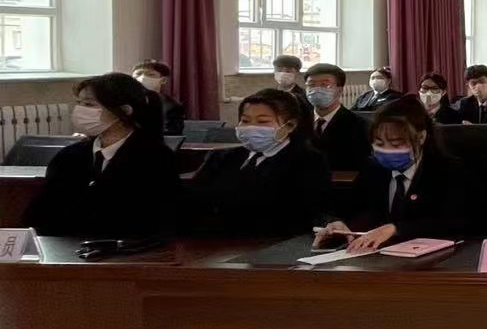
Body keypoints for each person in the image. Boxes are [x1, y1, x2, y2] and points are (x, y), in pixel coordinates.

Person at [27, 73, 181, 240]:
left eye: (89, 104)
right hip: (66, 245)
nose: (79, 110)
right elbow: (44, 210)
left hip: (123, 247)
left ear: (124, 111)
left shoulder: (153, 157)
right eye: (79, 103)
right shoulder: (70, 156)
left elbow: (152, 218)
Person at [317, 97, 472, 252]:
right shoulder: (374, 167)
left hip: (433, 257)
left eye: (396, 144)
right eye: (379, 143)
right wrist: (340, 223)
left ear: (421, 137)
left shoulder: (448, 170)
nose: (387, 150)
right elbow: (353, 207)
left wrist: (396, 228)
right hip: (376, 256)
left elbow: (453, 222)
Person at [186, 88, 331, 238]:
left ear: (290, 125)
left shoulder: (308, 161)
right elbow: (194, 201)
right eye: (245, 121)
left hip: (273, 242)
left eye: (262, 122)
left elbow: (303, 214)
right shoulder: (222, 157)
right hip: (215, 242)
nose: (251, 127)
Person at [302, 62, 372, 171]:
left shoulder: (360, 125)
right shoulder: (298, 122)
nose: (316, 90)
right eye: (311, 85)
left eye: (325, 85)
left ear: (339, 90)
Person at [132, 60, 185, 135]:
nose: (142, 78)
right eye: (138, 74)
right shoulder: (125, 102)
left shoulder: (172, 106)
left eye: (150, 74)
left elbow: (171, 133)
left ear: (163, 80)